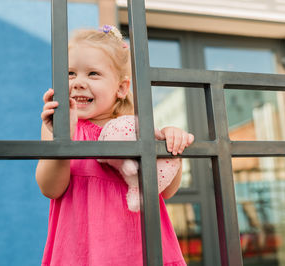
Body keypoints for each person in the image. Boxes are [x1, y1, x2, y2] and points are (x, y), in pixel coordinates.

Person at [36, 25, 194, 266]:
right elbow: (50, 188)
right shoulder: (58, 128)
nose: (78, 82)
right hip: (82, 252)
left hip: (140, 250)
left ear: (121, 88)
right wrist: (63, 139)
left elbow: (166, 190)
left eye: (93, 74)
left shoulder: (136, 129)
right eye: (70, 73)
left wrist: (170, 147)